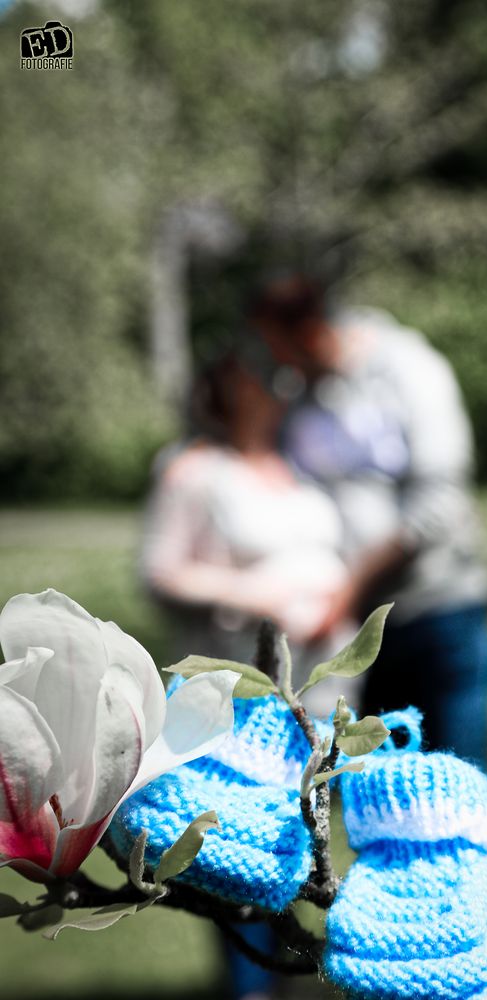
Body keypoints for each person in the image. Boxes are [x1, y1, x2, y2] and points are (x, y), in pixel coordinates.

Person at [140, 349, 354, 1000]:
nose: (281, 392)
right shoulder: (194, 469)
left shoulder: (296, 465)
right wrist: (256, 595)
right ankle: (251, 987)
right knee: (239, 850)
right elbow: (160, 571)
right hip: (239, 700)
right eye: (265, 381)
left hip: (318, 693)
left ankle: (287, 980)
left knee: (297, 850)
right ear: (233, 391)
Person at [250, 275, 487, 769]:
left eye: (275, 344)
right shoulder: (297, 394)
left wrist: (352, 585)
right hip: (362, 629)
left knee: (462, 785)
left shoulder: (409, 369)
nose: (272, 360)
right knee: (383, 794)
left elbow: (441, 501)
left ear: (309, 330)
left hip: (438, 610)